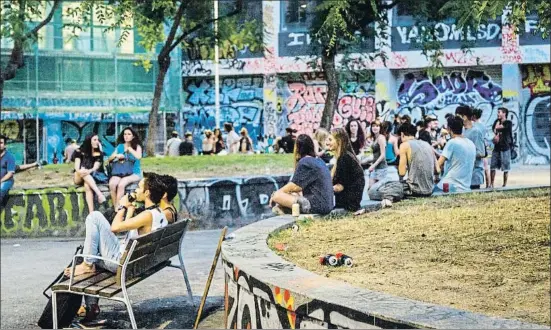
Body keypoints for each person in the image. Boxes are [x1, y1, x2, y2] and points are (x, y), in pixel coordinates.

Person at [64, 173, 168, 319]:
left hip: (122, 264)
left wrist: (122, 207)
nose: (135, 191)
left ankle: (88, 268)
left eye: (139, 188)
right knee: (91, 249)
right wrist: (130, 210)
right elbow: (132, 230)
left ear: (147, 193)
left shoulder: (147, 216)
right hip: (136, 262)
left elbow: (115, 227)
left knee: (94, 217)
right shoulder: (159, 213)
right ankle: (91, 305)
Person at [270, 134, 334, 215]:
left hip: (317, 205)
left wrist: (276, 194)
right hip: (327, 205)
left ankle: (298, 206)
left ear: (297, 147)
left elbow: (294, 186)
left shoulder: (305, 161)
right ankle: (288, 208)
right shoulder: (319, 161)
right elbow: (298, 189)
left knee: (277, 196)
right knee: (291, 195)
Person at [326, 128, 365, 212]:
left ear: (339, 141)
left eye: (330, 140)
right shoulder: (344, 156)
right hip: (350, 198)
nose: (327, 143)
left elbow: (340, 186)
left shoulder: (344, 158)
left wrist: (324, 189)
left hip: (349, 202)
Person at [436, 116, 476, 192]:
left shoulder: (452, 142)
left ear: (449, 129)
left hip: (449, 185)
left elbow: (438, 164)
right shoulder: (471, 143)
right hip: (466, 187)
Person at [108, 127, 143, 209]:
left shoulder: (137, 147)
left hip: (134, 173)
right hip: (120, 171)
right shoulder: (120, 146)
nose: (126, 136)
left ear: (133, 136)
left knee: (121, 184)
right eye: (125, 134)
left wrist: (130, 149)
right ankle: (115, 207)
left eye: (129, 134)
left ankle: (119, 208)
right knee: (112, 184)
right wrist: (116, 156)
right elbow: (109, 159)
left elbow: (138, 156)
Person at [398, 123, 436, 197]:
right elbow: (437, 170)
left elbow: (401, 173)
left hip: (414, 190)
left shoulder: (404, 145)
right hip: (430, 189)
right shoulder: (426, 144)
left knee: (376, 190)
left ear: (402, 134)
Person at [73, 134, 108, 214]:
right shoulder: (79, 151)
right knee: (82, 170)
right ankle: (100, 195)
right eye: (95, 140)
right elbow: (77, 168)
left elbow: (96, 166)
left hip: (91, 177)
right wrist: (83, 171)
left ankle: (91, 213)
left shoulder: (97, 152)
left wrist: (89, 171)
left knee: (87, 185)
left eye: (98, 140)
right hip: (79, 176)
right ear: (89, 141)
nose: (97, 142)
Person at [456, 105, 486, 189]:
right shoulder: (462, 131)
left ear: (464, 117)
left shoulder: (476, 132)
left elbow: (482, 153)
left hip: (474, 175)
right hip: (464, 175)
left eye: (458, 117)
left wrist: (465, 154)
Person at [490, 107, 513, 188]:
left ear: (504, 113)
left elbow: (498, 128)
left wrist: (497, 127)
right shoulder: (496, 121)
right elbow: (493, 129)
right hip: (496, 148)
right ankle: (491, 184)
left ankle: (504, 185)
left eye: (499, 112)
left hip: (505, 148)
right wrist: (494, 137)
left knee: (506, 168)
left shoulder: (508, 123)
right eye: (497, 112)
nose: (497, 114)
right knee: (492, 166)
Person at [472, 108, 491, 188]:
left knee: (478, 166)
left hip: (478, 148)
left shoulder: (474, 126)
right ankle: (488, 185)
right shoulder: (483, 125)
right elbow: (486, 138)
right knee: (486, 167)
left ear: (474, 116)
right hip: (484, 148)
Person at [368, 120, 388, 186]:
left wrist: (373, 165)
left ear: (380, 128)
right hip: (375, 167)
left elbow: (383, 155)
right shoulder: (374, 138)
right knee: (370, 189)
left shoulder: (381, 138)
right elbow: (373, 153)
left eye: (377, 126)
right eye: (373, 126)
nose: (375, 127)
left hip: (381, 168)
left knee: (378, 191)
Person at [0, 135, 16, 205]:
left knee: (1, 189)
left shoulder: (9, 157)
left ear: (5, 145)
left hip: (7, 181)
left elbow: (10, 174)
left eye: (1, 143)